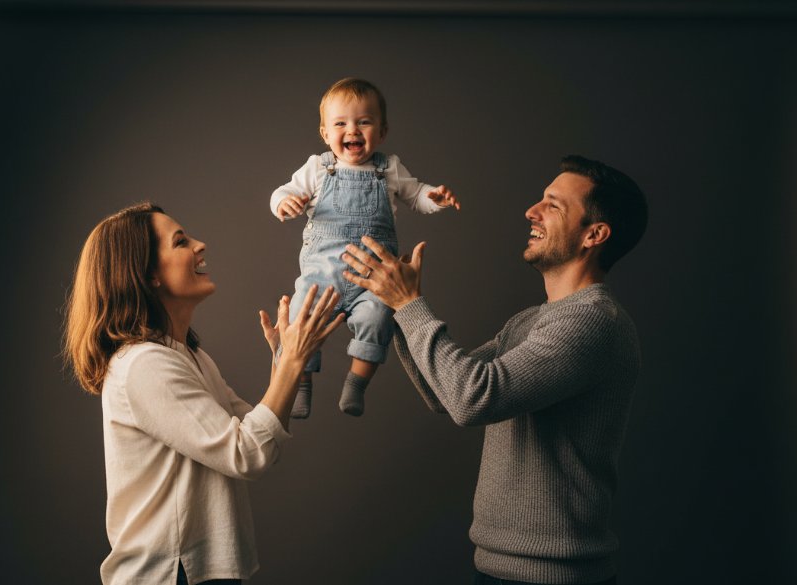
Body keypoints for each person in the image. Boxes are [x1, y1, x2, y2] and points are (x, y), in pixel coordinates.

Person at [342, 156, 648, 585]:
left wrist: (408, 304)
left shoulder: (594, 320)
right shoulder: (530, 321)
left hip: (553, 578)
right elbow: (444, 393)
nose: (531, 211)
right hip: (497, 568)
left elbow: (472, 398)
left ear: (594, 235)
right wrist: (390, 306)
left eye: (553, 206)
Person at [63, 202, 344, 585]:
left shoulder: (189, 357)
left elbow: (259, 428)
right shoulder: (145, 364)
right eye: (181, 242)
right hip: (171, 575)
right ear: (148, 275)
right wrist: (292, 361)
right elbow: (249, 453)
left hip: (198, 573)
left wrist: (286, 359)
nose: (200, 245)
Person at [270, 77, 461, 418]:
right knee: (299, 316)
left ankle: (356, 383)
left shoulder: (389, 169)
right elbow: (282, 192)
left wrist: (435, 198)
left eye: (364, 122)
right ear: (325, 134)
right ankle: (301, 383)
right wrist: (284, 203)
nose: (352, 130)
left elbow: (416, 194)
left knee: (378, 318)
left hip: (372, 280)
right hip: (321, 278)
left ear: (382, 132)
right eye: (340, 124)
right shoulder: (318, 168)